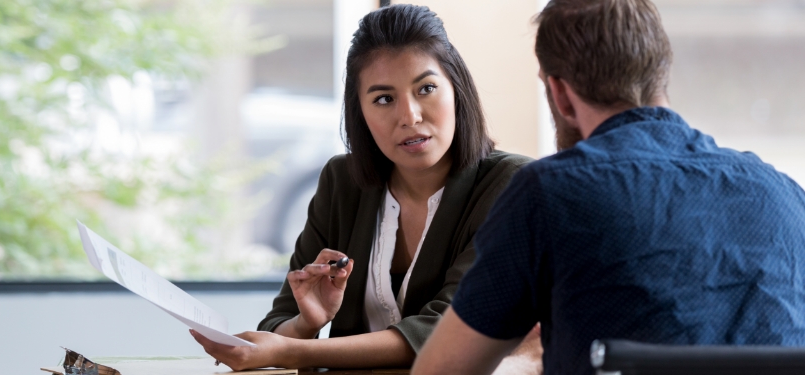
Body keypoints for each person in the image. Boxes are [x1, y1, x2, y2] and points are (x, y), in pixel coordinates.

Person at [413, 0, 805, 374]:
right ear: (661, 72)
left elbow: (441, 370)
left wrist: (533, 362)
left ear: (561, 95)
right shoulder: (786, 194)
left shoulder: (549, 194)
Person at [189, 4, 538, 371]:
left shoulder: (513, 185)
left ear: (457, 90)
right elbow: (279, 326)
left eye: (427, 88)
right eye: (384, 99)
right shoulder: (343, 181)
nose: (410, 116)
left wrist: (291, 351)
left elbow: (448, 328)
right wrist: (307, 322)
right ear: (361, 112)